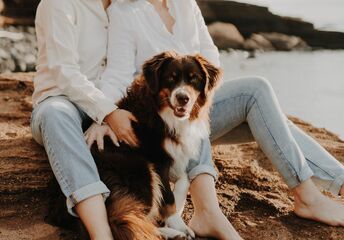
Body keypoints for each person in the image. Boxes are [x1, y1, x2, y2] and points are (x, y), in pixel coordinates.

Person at [84, 0, 344, 239]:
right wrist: (104, 113)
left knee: (260, 105)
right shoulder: (124, 11)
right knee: (256, 93)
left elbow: (212, 57)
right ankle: (211, 210)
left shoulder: (185, 4)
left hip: (193, 105)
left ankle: (340, 182)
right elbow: (118, 74)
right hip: (160, 120)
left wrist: (193, 90)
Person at [30, 0, 119, 239]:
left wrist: (108, 116)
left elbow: (129, 69)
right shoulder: (58, 3)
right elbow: (64, 72)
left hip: (111, 104)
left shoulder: (127, 6)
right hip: (59, 100)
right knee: (54, 114)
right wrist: (108, 112)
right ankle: (101, 233)